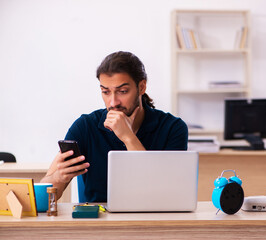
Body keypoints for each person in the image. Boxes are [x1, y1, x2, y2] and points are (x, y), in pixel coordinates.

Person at [41, 51, 188, 202]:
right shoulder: (85, 126)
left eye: (122, 91)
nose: (113, 102)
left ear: (142, 87)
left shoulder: (173, 128)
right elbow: (43, 198)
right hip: (97, 222)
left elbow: (165, 195)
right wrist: (58, 177)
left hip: (152, 221)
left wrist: (128, 137)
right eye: (105, 92)